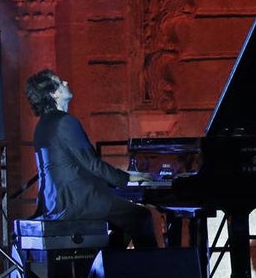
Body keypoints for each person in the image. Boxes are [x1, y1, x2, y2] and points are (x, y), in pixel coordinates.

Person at [24, 68, 158, 248]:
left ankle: (109, 262)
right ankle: (153, 265)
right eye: (60, 82)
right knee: (141, 217)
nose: (66, 83)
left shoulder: (42, 125)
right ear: (54, 94)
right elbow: (93, 165)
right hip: (78, 201)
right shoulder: (66, 121)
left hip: (55, 202)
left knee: (121, 224)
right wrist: (128, 179)